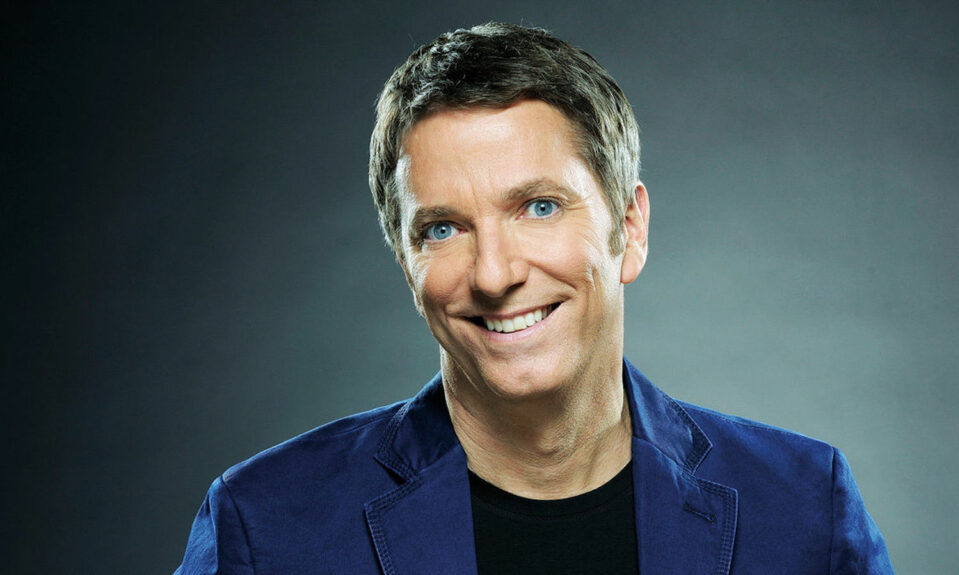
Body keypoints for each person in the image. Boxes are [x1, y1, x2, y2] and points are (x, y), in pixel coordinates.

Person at [175, 22, 893, 574]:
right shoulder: (265, 525)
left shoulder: (805, 507)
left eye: (539, 207)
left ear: (630, 229)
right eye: (443, 227)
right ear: (405, 261)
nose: (493, 274)